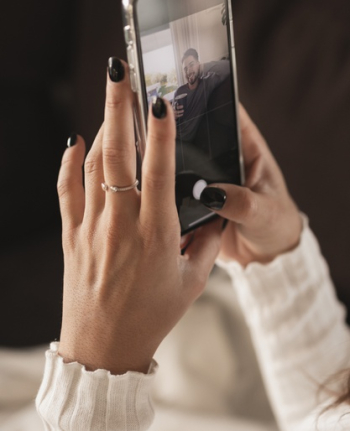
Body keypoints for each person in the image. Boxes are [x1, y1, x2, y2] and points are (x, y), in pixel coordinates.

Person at [36, 57, 350, 430]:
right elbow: (327, 415)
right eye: (184, 68)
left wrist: (94, 390)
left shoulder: (202, 86)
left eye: (191, 67)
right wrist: (280, 266)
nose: (188, 73)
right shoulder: (185, 91)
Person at [173, 48, 230, 142]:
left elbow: (228, 66)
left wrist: (203, 67)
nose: (188, 71)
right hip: (175, 138)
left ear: (198, 64)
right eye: (185, 68)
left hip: (187, 141)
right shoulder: (179, 92)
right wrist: (172, 116)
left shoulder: (207, 83)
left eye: (191, 65)